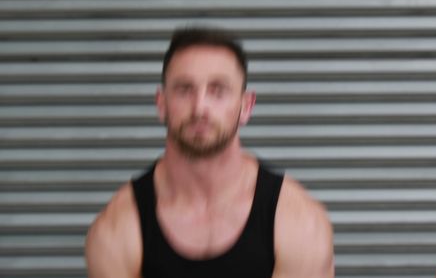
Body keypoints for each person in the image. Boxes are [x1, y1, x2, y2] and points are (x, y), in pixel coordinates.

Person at [85, 26, 334, 278]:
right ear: (162, 104)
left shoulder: (298, 222)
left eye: (218, 90)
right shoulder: (117, 228)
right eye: (184, 89)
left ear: (246, 106)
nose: (200, 107)